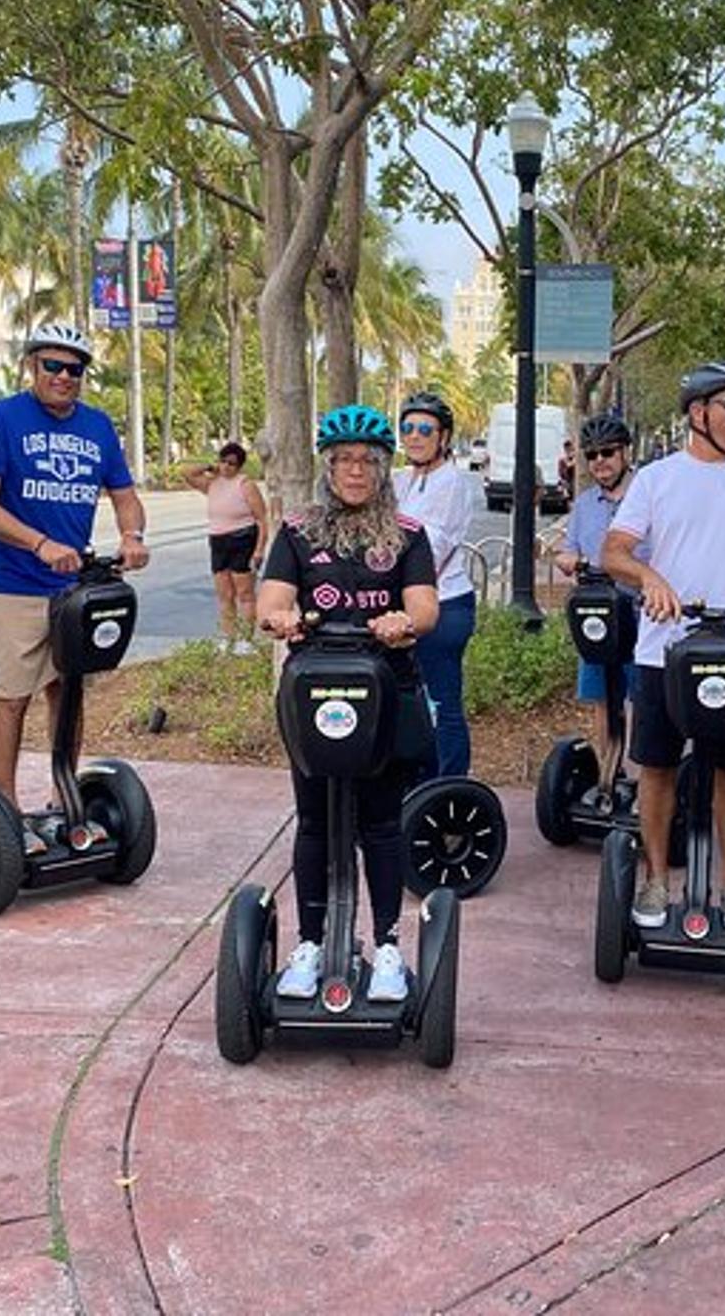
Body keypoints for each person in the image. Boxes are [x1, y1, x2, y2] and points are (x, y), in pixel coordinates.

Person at [604, 360, 725, 933]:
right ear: (699, 413)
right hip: (662, 650)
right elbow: (614, 550)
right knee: (659, 768)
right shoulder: (657, 478)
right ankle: (654, 879)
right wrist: (651, 579)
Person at [257, 405, 440, 1003]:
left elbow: (425, 609)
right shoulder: (298, 532)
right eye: (344, 461)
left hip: (385, 692)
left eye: (367, 461)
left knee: (381, 823)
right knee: (313, 820)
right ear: (327, 469)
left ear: (383, 469)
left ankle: (386, 945)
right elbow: (272, 601)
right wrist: (281, 616)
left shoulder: (408, 536)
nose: (355, 470)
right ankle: (310, 944)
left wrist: (401, 621)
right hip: (315, 694)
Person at [0, 323, 149, 854]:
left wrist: (131, 535)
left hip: (72, 589)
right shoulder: (2, 419)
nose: (64, 377)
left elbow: (124, 494)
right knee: (12, 698)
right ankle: (5, 808)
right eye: (53, 366)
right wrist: (38, 543)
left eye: (74, 369)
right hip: (12, 584)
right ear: (32, 367)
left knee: (66, 694)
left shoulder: (96, 426)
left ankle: (62, 795)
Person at [391, 389, 478, 778]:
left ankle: (446, 787)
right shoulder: (401, 479)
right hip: (406, 604)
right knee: (410, 700)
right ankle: (417, 782)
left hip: (445, 606)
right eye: (407, 427)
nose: (414, 436)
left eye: (425, 429)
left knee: (441, 702)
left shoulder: (452, 482)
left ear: (443, 437)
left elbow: (433, 546)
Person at [555, 413, 646, 776]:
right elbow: (568, 549)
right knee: (601, 700)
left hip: (642, 616)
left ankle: (644, 780)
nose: (600, 462)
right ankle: (609, 773)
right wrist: (567, 560)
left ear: (625, 452)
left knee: (643, 698)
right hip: (598, 618)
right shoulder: (585, 503)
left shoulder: (648, 496)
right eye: (592, 456)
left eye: (607, 453)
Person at [185, 441, 269, 653]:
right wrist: (208, 467)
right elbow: (187, 475)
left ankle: (245, 639)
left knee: (245, 593)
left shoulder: (246, 485)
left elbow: (261, 519)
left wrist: (259, 549)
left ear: (239, 466)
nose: (226, 467)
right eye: (223, 462)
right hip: (218, 540)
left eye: (231, 463)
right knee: (224, 594)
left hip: (243, 539)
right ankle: (227, 637)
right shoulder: (212, 483)